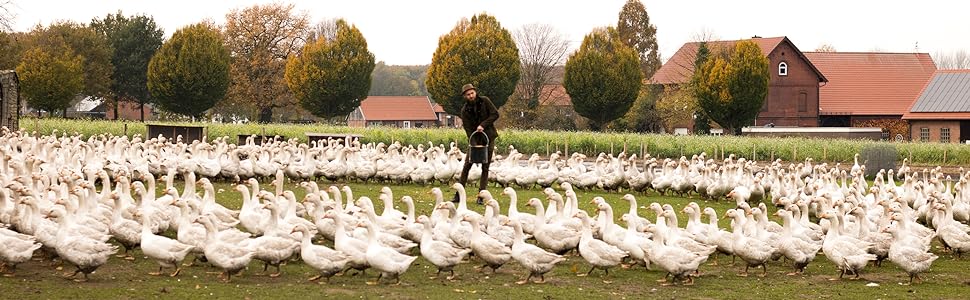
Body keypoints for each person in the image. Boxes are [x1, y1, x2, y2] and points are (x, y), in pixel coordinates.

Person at [454, 83, 499, 205]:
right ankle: (458, 194)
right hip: (474, 140)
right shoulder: (464, 111)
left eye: (472, 93)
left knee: (485, 167)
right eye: (468, 94)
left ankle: (481, 196)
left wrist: (483, 125)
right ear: (465, 96)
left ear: (475, 92)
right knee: (467, 165)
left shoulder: (485, 101)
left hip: (488, 137)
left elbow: (495, 114)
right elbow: (468, 130)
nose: (471, 96)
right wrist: (474, 145)